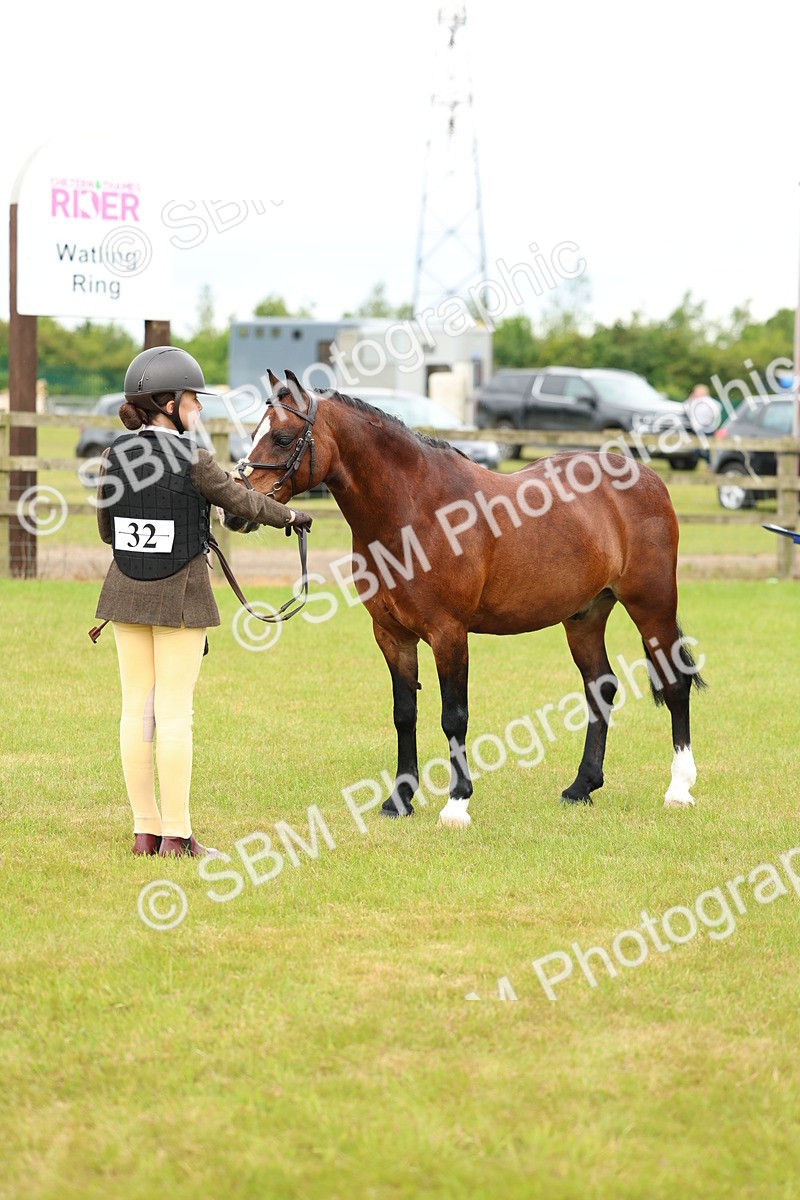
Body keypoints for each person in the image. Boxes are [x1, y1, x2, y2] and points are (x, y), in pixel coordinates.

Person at [93, 346, 312, 859]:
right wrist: (292, 519)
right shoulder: (192, 458)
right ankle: (178, 835)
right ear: (168, 403)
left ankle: (144, 831)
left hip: (124, 593)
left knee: (135, 713)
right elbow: (243, 500)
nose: (198, 407)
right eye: (193, 398)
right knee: (173, 714)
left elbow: (108, 531)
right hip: (181, 596)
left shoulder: (112, 456)